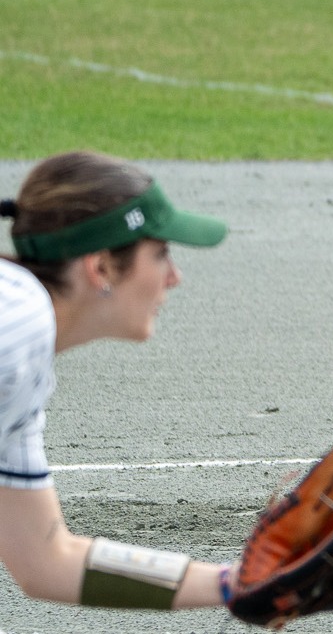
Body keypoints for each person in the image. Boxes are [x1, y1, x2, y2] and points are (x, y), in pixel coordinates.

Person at [0, 151, 234, 612]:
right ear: (102, 267)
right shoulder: (17, 321)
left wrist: (237, 584)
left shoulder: (25, 363)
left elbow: (49, 559)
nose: (175, 277)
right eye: (161, 252)